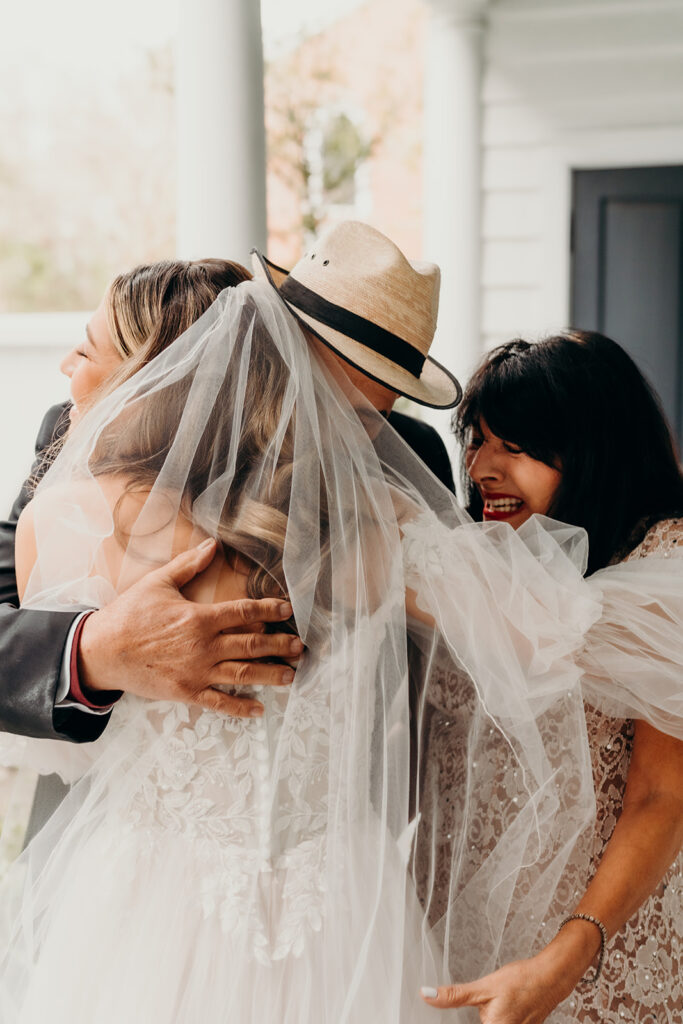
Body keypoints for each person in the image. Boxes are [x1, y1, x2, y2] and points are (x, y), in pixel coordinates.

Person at [0, 222, 476, 1021]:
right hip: (119, 850)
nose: (345, 416)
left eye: (376, 395)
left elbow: (435, 653)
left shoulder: (408, 470)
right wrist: (100, 651)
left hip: (329, 867)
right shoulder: (77, 440)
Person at [420, 332, 683, 1023]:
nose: (481, 468)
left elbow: (661, 795)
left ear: (595, 446)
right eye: (475, 441)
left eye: (516, 445)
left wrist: (561, 963)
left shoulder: (665, 559)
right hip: (465, 943)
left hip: (598, 955)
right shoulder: (482, 566)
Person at [0, 259, 299, 752]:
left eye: (84, 349)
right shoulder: (315, 522)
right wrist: (93, 651)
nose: (65, 365)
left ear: (145, 387)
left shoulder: (57, 521)